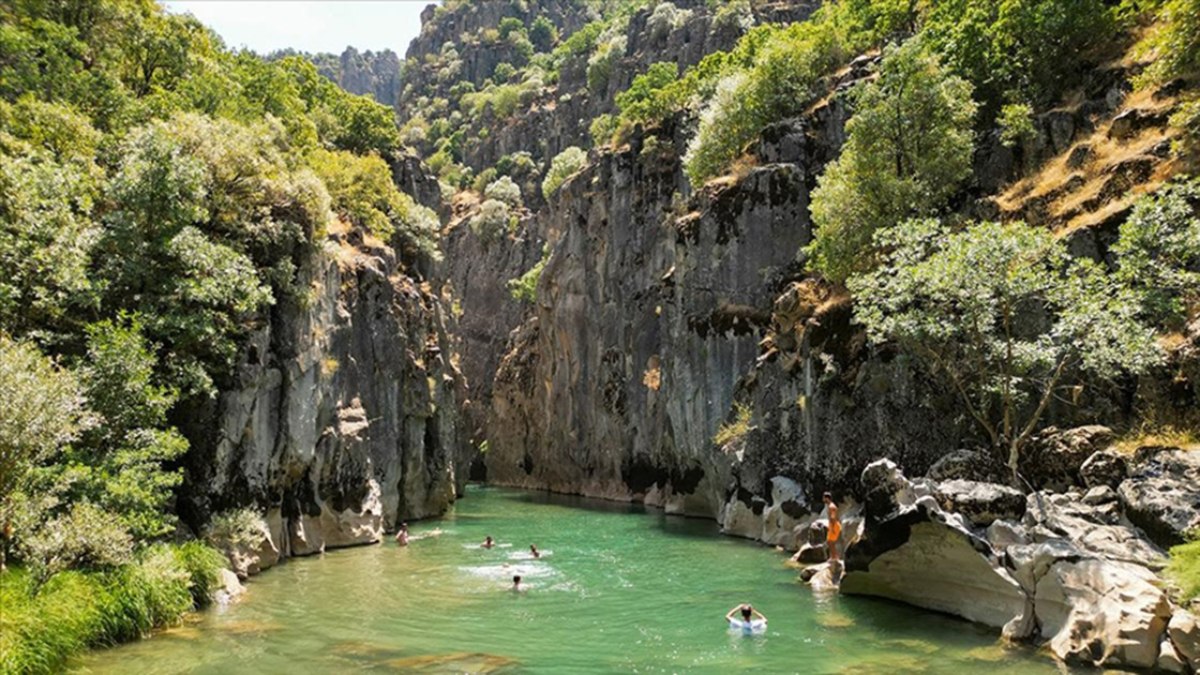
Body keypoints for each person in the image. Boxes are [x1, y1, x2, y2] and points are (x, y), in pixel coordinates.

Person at [823, 492, 841, 562]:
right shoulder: (830, 506)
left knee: (831, 542)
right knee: (829, 542)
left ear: (827, 498)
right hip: (832, 525)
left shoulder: (831, 506)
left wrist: (832, 528)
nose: (823, 499)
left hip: (834, 525)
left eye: (824, 498)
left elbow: (833, 517)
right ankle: (834, 557)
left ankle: (834, 558)